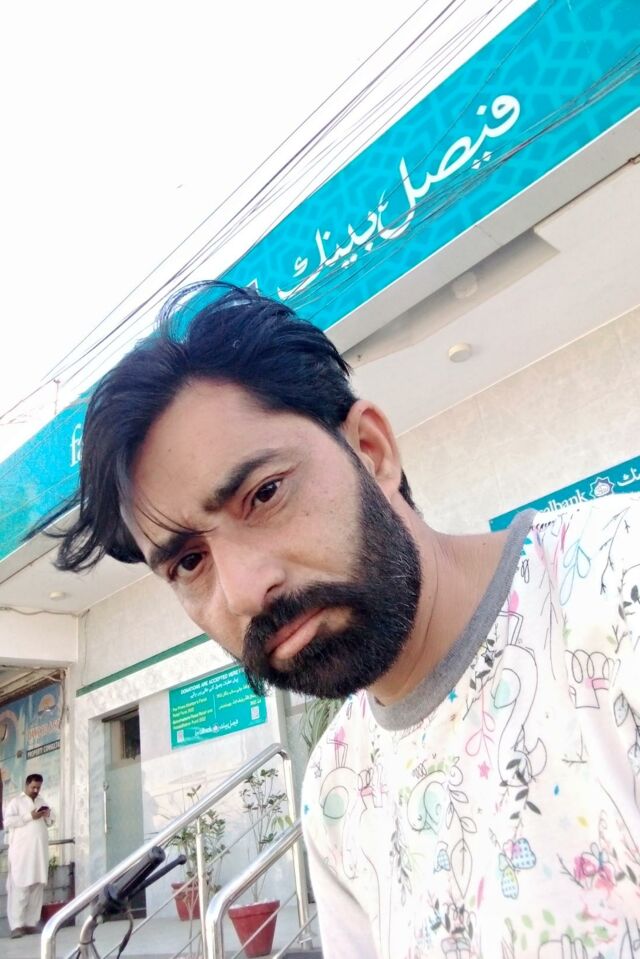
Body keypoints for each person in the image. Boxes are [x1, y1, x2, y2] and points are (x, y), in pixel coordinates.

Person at [54, 283, 640, 957]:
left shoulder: (616, 588)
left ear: (371, 449)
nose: (244, 591)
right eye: (189, 562)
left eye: (264, 494)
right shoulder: (335, 792)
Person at [4, 773, 55, 938]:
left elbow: (51, 821)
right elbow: (7, 822)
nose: (35, 790)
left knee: (37, 886)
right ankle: (17, 926)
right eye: (33, 787)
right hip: (22, 854)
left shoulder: (41, 801)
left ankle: (31, 923)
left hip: (39, 853)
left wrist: (47, 814)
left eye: (38, 787)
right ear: (26, 785)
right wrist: (29, 816)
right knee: (21, 887)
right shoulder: (16, 802)